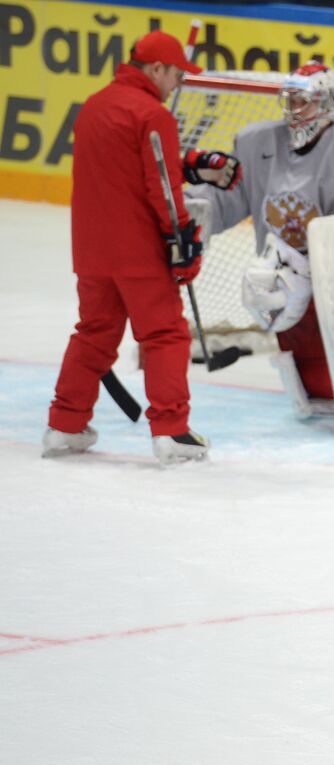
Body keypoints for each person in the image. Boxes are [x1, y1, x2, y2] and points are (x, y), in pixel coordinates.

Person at [44, 31, 240, 465]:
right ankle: (171, 431)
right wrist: (183, 240)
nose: (179, 84)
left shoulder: (94, 106)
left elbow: (128, 168)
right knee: (165, 334)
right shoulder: (154, 115)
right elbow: (163, 189)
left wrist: (190, 164)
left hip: (92, 250)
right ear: (155, 69)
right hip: (138, 251)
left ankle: (64, 425)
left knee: (94, 334)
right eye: (176, 75)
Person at [187, 62, 334, 415]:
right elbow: (230, 196)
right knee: (316, 385)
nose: (295, 111)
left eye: (305, 102)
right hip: (285, 270)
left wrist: (318, 264)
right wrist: (191, 211)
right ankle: (312, 369)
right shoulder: (256, 142)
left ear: (329, 103)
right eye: (290, 100)